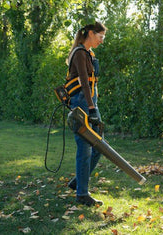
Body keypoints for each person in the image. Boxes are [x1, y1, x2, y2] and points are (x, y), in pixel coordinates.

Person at [66, 22, 107, 206]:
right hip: (84, 104)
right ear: (91, 33)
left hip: (90, 102)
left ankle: (78, 182)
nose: (102, 41)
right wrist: (91, 109)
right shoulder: (80, 53)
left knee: (99, 146)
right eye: (101, 37)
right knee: (85, 148)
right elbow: (83, 81)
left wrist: (93, 105)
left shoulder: (89, 54)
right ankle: (82, 194)